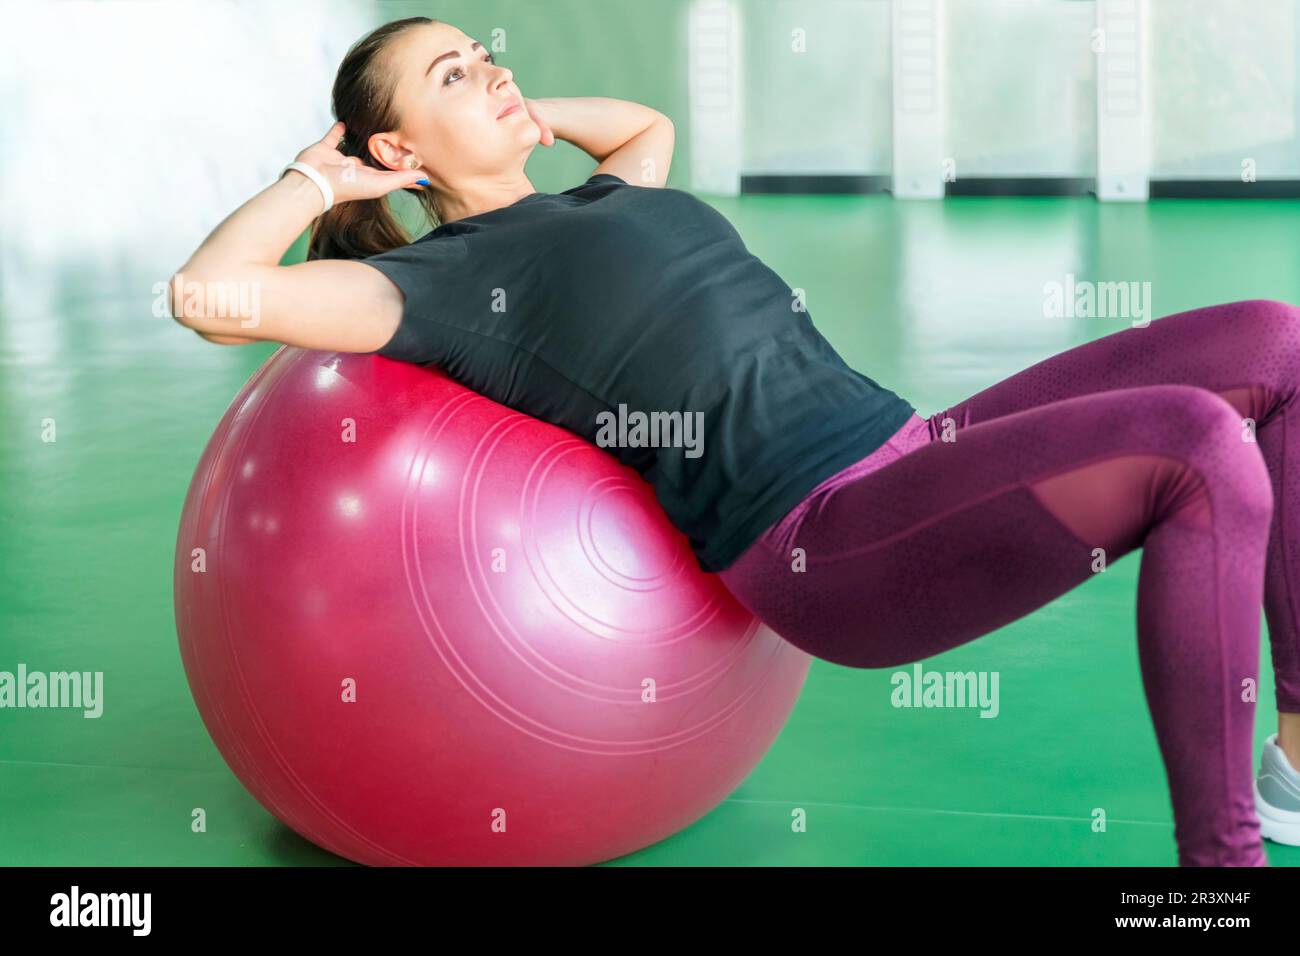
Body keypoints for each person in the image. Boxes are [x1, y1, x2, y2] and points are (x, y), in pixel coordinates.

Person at [168, 16, 1300, 867]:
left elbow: (644, 127)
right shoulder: (433, 284)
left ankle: (1293, 755)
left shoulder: (596, 203)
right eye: (452, 75)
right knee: (1195, 441)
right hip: (830, 536)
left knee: (1275, 340)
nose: (493, 71)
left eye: (483, 51)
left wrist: (520, 112)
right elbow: (212, 295)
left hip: (912, 442)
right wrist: (324, 173)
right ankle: (1218, 873)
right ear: (394, 145)